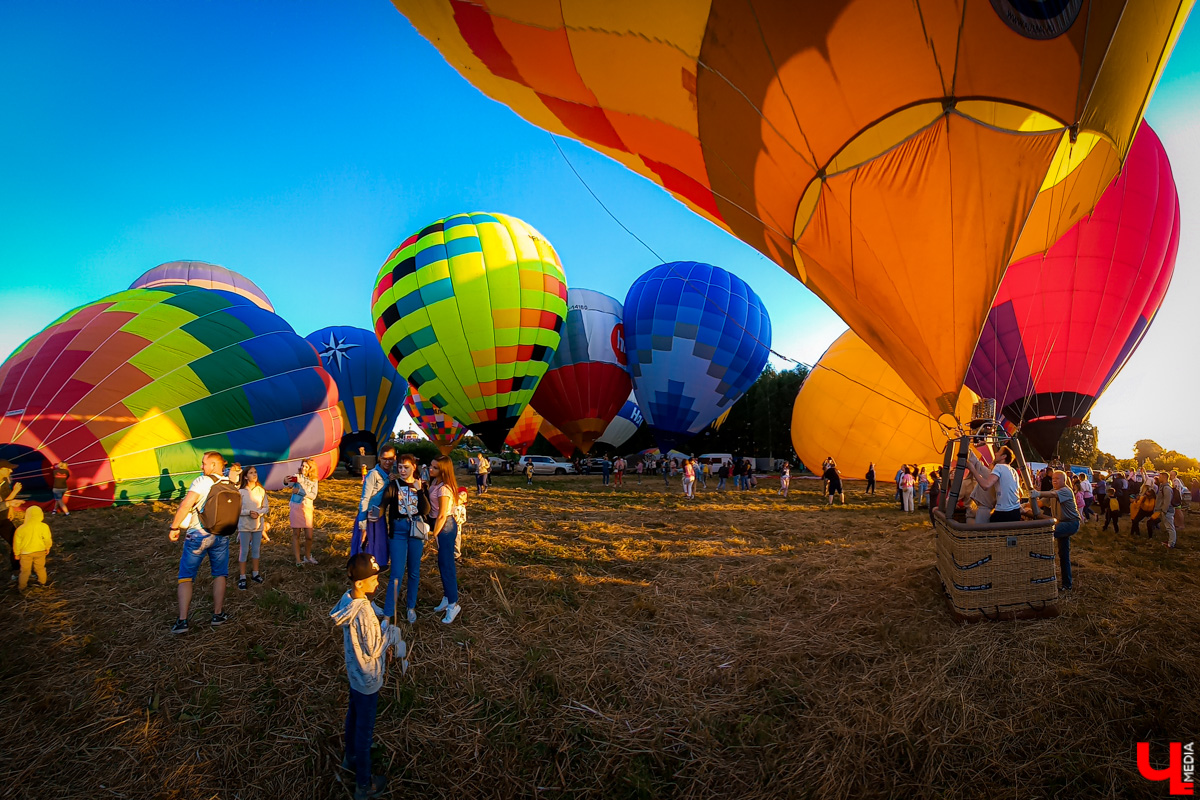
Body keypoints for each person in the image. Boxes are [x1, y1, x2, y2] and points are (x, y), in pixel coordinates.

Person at [330, 553, 407, 800]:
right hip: (368, 678)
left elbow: (368, 609)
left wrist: (379, 613)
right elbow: (374, 648)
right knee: (365, 730)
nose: (378, 583)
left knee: (353, 715)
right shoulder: (363, 614)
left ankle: (350, 756)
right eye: (374, 579)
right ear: (361, 583)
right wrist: (390, 633)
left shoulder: (349, 599)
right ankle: (364, 784)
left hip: (354, 674)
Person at [168, 451, 238, 634]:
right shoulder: (230, 483)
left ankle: (182, 620)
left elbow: (186, 505)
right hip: (221, 535)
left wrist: (174, 527)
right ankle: (218, 614)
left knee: (186, 576)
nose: (201, 467)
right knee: (220, 574)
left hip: (198, 534)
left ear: (214, 465)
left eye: (204, 463)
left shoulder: (202, 481)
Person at [382, 454, 426, 624]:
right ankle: (388, 614)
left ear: (413, 467)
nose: (401, 470)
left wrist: (419, 490)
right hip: (398, 531)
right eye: (399, 467)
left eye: (405, 467)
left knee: (414, 571)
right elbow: (383, 505)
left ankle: (410, 607)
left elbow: (425, 510)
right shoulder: (394, 485)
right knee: (397, 573)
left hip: (415, 530)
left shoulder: (422, 484)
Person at [1029, 470, 1080, 592]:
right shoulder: (1052, 492)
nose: (1055, 480)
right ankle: (1067, 585)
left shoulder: (1066, 491)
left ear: (1064, 480)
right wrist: (1023, 506)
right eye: (1053, 479)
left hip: (1071, 523)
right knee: (1063, 555)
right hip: (1062, 523)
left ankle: (1041, 570)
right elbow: (1040, 503)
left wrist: (1037, 493)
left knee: (1045, 534)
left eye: (1058, 478)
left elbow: (1053, 495)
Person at [427, 456, 461, 624]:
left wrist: (434, 534)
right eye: (431, 466)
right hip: (440, 525)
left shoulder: (444, 489)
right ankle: (447, 597)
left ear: (443, 470)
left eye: (435, 467)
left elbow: (442, 514)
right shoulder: (434, 483)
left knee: (447, 564)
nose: (430, 469)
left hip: (444, 527)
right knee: (442, 563)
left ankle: (453, 603)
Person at [353, 447, 395, 570]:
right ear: (379, 458)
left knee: (379, 541)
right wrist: (362, 521)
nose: (387, 462)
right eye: (384, 459)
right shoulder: (373, 474)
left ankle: (378, 564)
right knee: (368, 541)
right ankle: (364, 566)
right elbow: (365, 498)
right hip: (369, 514)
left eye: (390, 459)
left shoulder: (389, 475)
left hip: (379, 514)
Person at [236, 466, 270, 590]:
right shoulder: (241, 492)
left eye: (255, 472)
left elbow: (265, 507)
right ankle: (242, 576)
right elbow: (237, 509)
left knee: (256, 549)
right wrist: (248, 512)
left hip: (258, 526)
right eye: (251, 473)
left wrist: (259, 513)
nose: (254, 474)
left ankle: (255, 573)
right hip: (244, 525)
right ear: (245, 476)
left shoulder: (261, 490)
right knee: (244, 550)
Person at [968, 446, 1022, 523]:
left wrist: (972, 469)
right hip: (1015, 511)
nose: (995, 454)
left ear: (1003, 456)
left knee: (987, 532)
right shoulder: (1013, 471)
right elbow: (1019, 493)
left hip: (1004, 512)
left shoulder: (999, 467)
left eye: (998, 452)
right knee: (1009, 534)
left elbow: (986, 485)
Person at [284, 459, 319, 566]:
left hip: (307, 508)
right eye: (302, 466)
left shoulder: (314, 481)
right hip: (296, 506)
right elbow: (288, 483)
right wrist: (285, 481)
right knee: (296, 534)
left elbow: (313, 495)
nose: (303, 468)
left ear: (311, 469)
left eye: (306, 467)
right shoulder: (297, 477)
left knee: (309, 536)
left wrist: (300, 491)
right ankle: (298, 559)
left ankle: (307, 556)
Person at [13, 505, 52, 591]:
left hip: (25, 553)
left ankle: (22, 587)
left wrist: (16, 553)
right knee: (40, 568)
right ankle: (43, 583)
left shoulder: (20, 529)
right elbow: (47, 539)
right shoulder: (44, 526)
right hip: (40, 551)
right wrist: (47, 547)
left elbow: (17, 542)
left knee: (25, 571)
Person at [0, 461, 24, 581]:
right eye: (8, 468)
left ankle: (17, 571)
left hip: (3, 518)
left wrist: (10, 509)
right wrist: (15, 492)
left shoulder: (4, 482)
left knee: (16, 542)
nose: (11, 471)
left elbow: (5, 499)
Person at [1155, 471, 1178, 548]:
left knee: (1170, 527)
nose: (1158, 478)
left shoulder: (1167, 488)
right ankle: (1170, 541)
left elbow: (1167, 501)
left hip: (1167, 511)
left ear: (1164, 477)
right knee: (1168, 527)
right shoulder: (1162, 487)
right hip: (1165, 511)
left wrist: (1164, 510)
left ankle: (1171, 543)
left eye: (1160, 476)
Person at [453, 487, 468, 560]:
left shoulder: (462, 508)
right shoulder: (451, 506)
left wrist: (458, 521)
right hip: (449, 526)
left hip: (457, 527)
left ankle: (456, 555)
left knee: (456, 541)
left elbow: (463, 518)